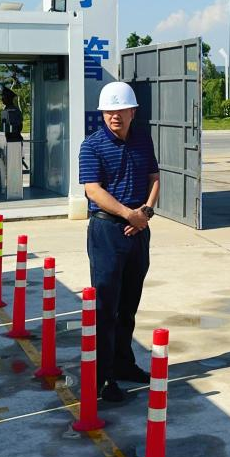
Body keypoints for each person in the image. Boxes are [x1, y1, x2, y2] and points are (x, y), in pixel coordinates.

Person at [78, 82, 160, 403]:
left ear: (133, 112)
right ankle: (103, 377)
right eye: (109, 111)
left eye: (121, 110)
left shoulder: (142, 139)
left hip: (139, 230)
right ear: (102, 114)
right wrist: (129, 214)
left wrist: (145, 213)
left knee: (128, 305)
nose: (115, 116)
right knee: (105, 308)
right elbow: (92, 190)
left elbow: (154, 177)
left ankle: (125, 364)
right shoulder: (92, 145)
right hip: (107, 232)